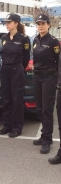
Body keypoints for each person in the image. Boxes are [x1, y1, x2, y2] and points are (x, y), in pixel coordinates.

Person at [0, 13, 31, 138]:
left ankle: (17, 127)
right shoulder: (4, 38)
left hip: (17, 70)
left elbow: (26, 58)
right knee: (6, 99)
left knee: (17, 99)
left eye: (9, 22)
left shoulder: (23, 39)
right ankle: (7, 125)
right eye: (6, 22)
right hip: (5, 70)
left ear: (16, 23)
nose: (7, 24)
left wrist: (18, 68)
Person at [32, 14, 60, 154]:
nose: (41, 26)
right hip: (37, 77)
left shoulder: (54, 41)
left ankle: (47, 140)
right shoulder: (36, 40)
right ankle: (43, 135)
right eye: (38, 24)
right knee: (39, 108)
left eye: (43, 23)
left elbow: (58, 62)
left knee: (47, 110)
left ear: (48, 25)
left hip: (49, 77)